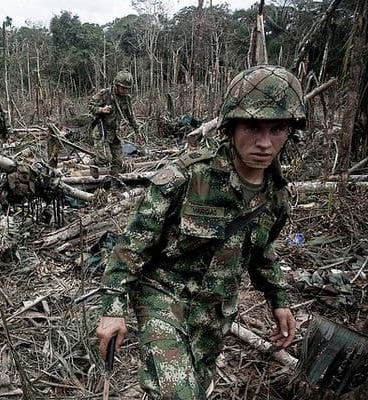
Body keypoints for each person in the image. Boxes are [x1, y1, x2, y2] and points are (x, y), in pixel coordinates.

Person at [95, 65, 305, 399]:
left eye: (277, 129)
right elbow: (131, 246)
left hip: (214, 315)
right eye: (252, 127)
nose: (264, 142)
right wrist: (112, 309)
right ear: (231, 127)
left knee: (199, 386)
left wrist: (278, 299)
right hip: (162, 297)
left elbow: (263, 255)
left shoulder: (276, 196)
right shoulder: (187, 176)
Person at [88, 70, 139, 176]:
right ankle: (93, 162)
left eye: (127, 89)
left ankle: (113, 183)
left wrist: (137, 130)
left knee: (118, 162)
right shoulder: (105, 94)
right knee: (104, 158)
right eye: (122, 88)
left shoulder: (126, 99)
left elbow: (130, 115)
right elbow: (90, 106)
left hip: (115, 133)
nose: (124, 91)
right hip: (102, 131)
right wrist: (101, 110)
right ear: (116, 85)